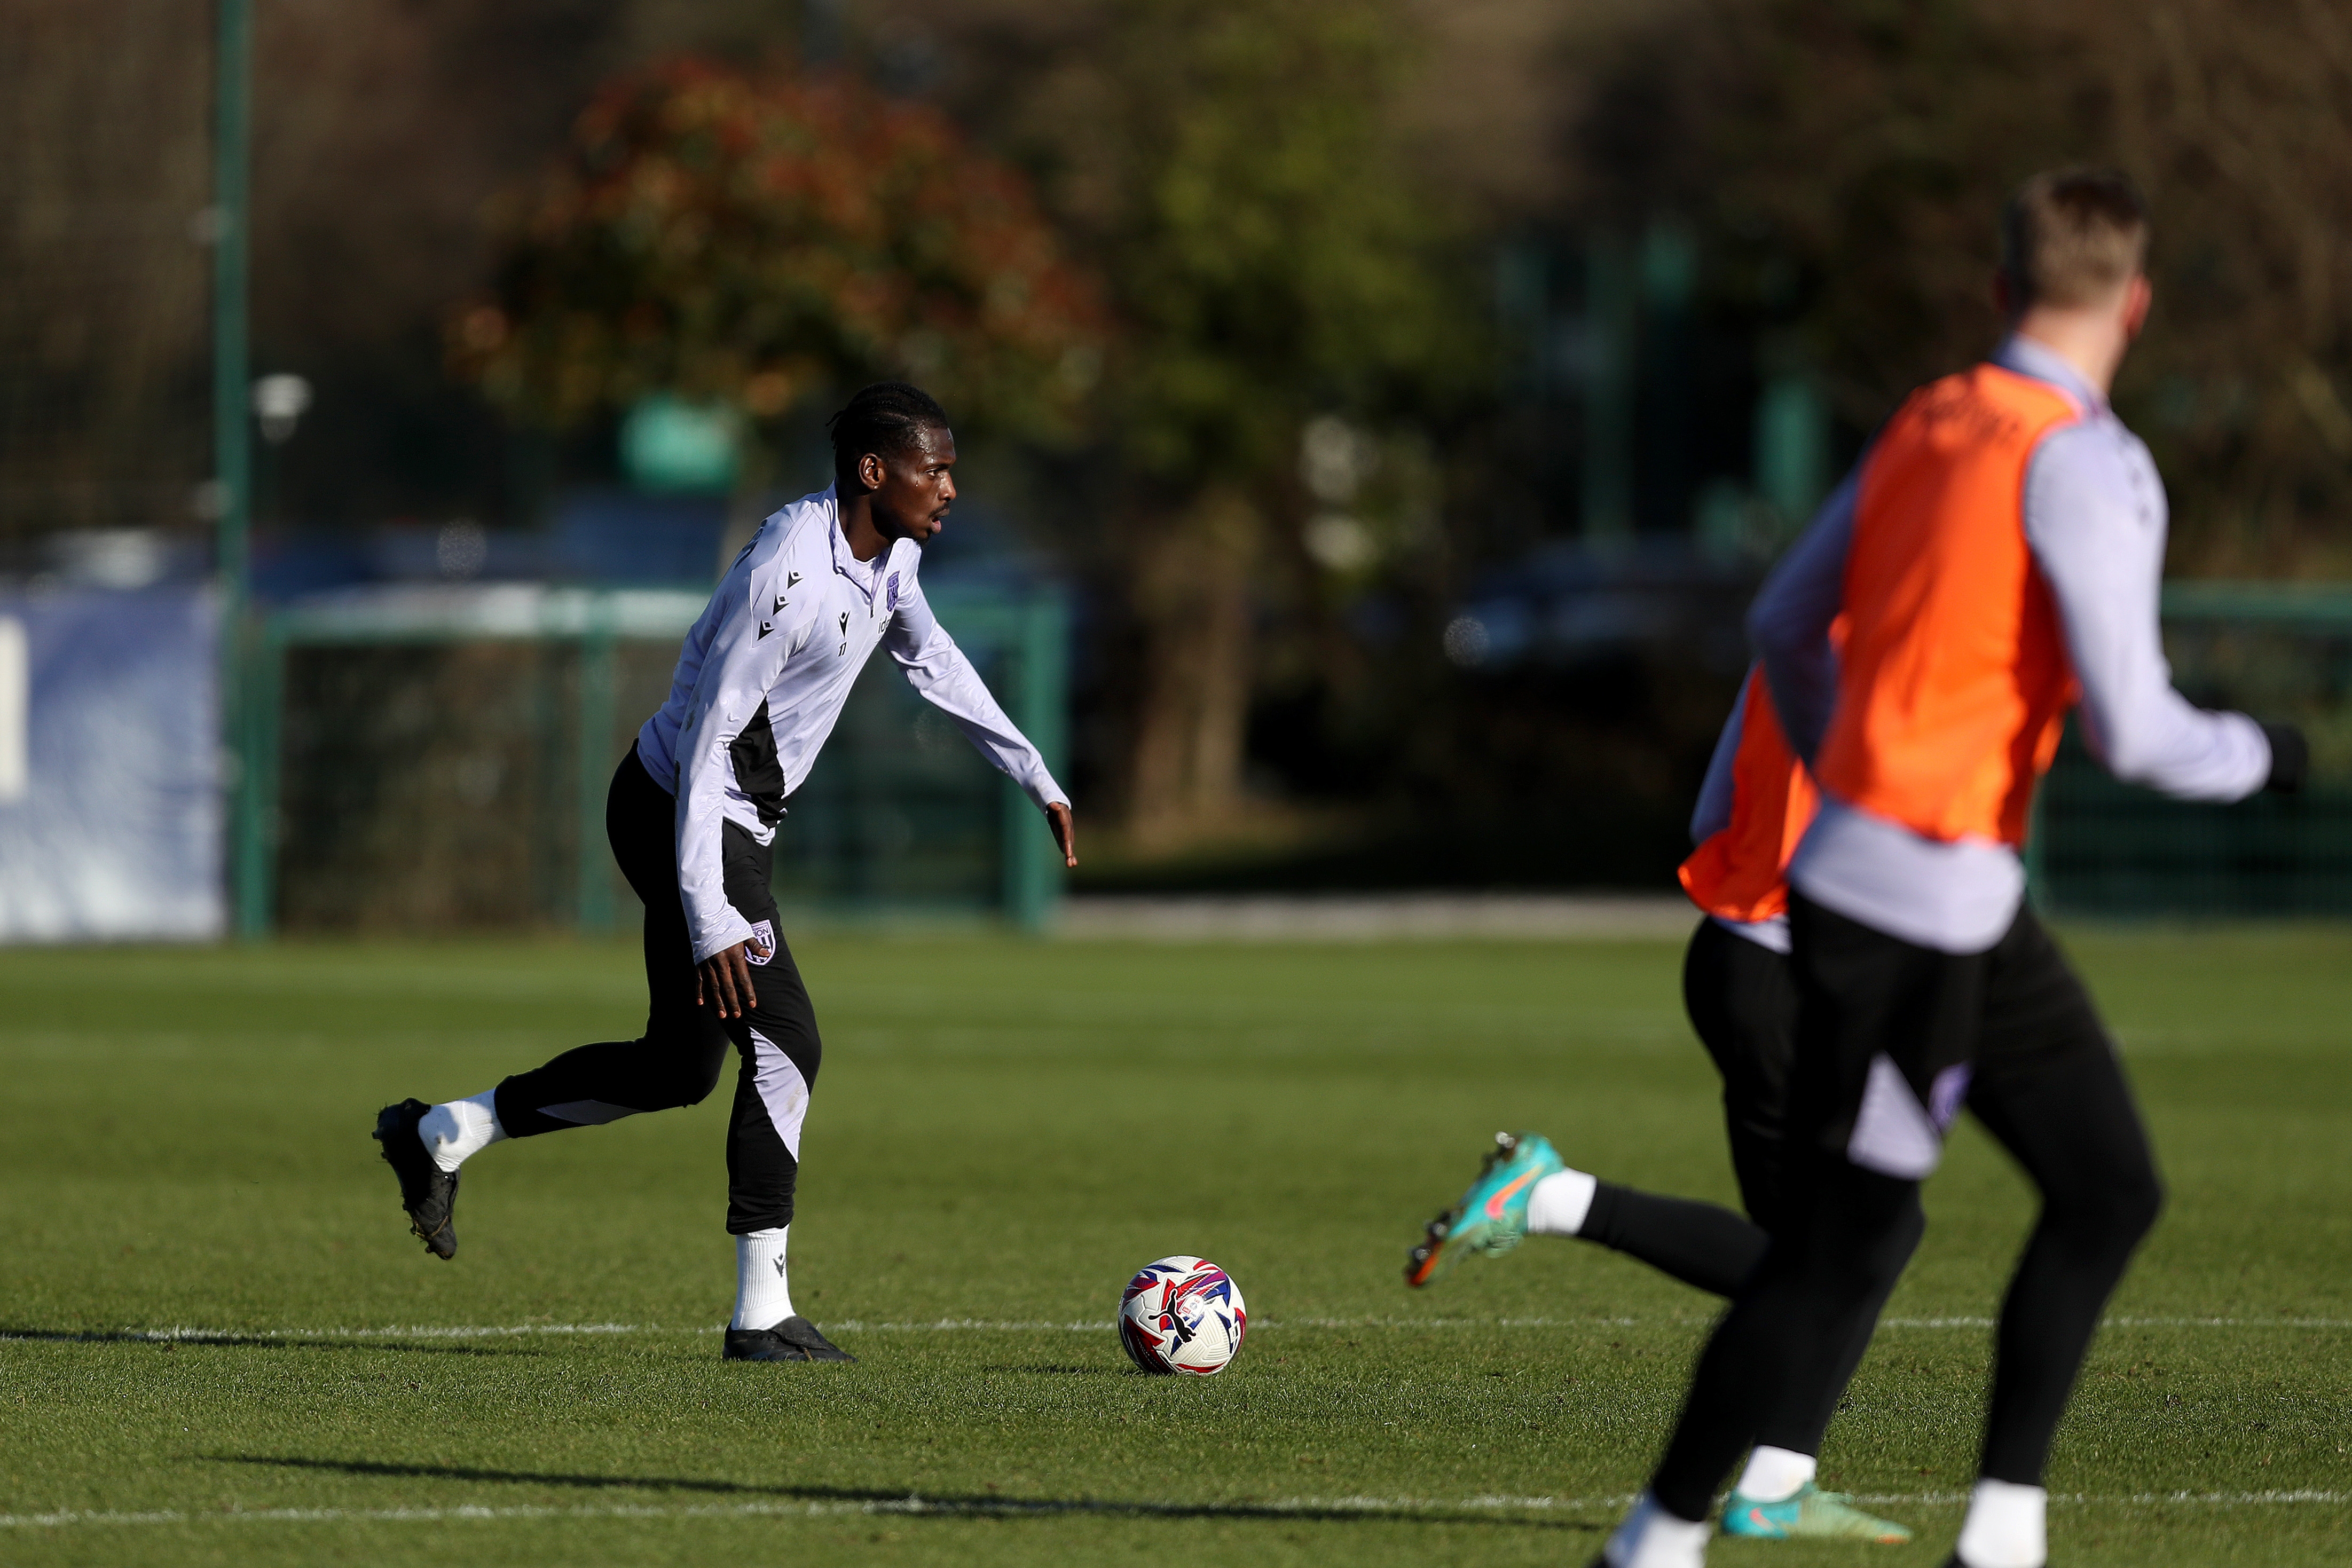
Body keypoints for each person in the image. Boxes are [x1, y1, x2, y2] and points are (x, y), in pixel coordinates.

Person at [1594, 169, 2307, 1568]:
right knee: (2095, 1195)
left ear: (1998, 292)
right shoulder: (2084, 457)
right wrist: (2273, 752)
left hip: (1852, 890)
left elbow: (1782, 620)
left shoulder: (1927, 417)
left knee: (1842, 1246)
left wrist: (1843, 771)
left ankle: (1654, 1538)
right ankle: (1995, 1535)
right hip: (1936, 903)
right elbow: (2133, 728)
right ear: (2136, 304)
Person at [369, 382, 1077, 1364]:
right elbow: (706, 747)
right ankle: (761, 1313)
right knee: (787, 1041)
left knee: (676, 1069)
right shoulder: (789, 570)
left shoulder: (894, 555)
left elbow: (933, 661)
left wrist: (1033, 772)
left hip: (724, 823)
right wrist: (710, 918)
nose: (951, 486)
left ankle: (444, 1132)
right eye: (936, 467)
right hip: (677, 809)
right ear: (874, 472)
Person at [1405, 664, 1915, 1543]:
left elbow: (1709, 814)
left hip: (1733, 952)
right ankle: (1554, 1199)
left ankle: (1778, 1478)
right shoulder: (1893, 642)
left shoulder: (1799, 628)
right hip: (1803, 970)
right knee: (1846, 1249)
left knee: (1823, 1253)